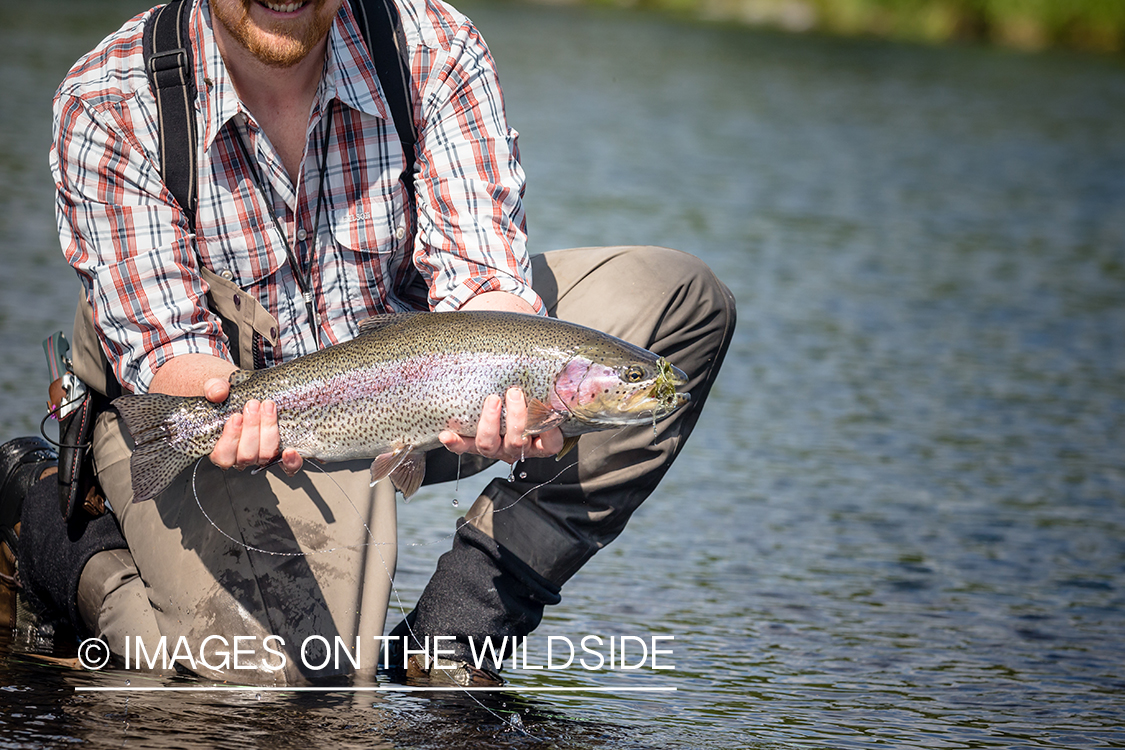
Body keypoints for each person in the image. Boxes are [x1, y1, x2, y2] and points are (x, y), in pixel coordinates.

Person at [2, 0, 735, 685]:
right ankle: (57, 541)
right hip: (208, 403)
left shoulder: (433, 47)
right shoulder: (112, 97)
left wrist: (512, 382)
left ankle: (457, 629)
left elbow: (482, 281)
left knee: (676, 300)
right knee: (274, 688)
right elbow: (170, 351)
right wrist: (214, 413)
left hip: (416, 383)